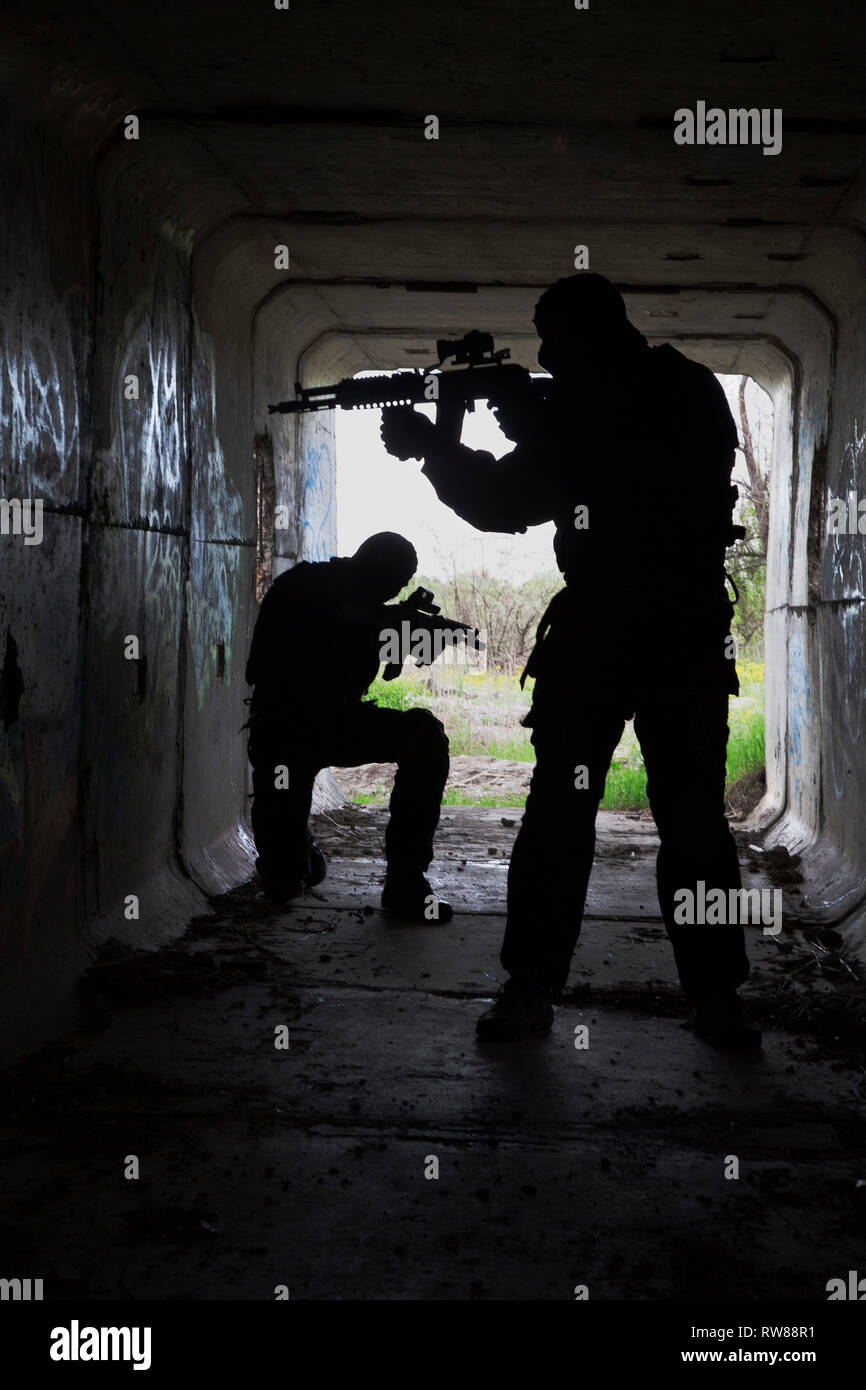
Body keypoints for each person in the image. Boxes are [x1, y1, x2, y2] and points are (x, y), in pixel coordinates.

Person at [380, 273, 760, 1049]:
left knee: (571, 815)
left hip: (623, 629)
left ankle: (535, 993)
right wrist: (520, 428)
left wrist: (437, 449)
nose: (548, 356)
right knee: (681, 821)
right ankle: (714, 1001)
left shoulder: (631, 402)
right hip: (673, 633)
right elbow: (562, 472)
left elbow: (510, 502)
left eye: (555, 343)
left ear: (591, 337)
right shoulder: (686, 388)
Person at [245, 531, 462, 923]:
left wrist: (407, 641)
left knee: (425, 736)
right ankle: (295, 853)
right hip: (285, 734)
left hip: (336, 723)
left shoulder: (369, 605)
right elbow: (320, 634)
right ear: (371, 566)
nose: (395, 591)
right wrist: (386, 625)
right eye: (393, 581)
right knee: (284, 882)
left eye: (401, 586)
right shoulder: (305, 586)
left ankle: (405, 882)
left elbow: (374, 648)